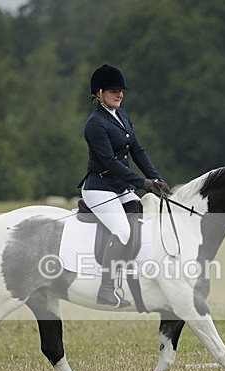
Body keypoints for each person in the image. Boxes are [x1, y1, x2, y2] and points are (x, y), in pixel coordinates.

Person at [81, 64, 170, 308]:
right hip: (99, 189)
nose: (119, 94)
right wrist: (142, 182)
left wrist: (156, 178)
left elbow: (137, 150)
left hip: (119, 188)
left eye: (121, 90)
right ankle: (106, 289)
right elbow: (109, 161)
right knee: (122, 231)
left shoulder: (121, 116)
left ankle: (131, 275)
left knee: (137, 216)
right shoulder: (95, 124)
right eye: (113, 90)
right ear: (98, 93)